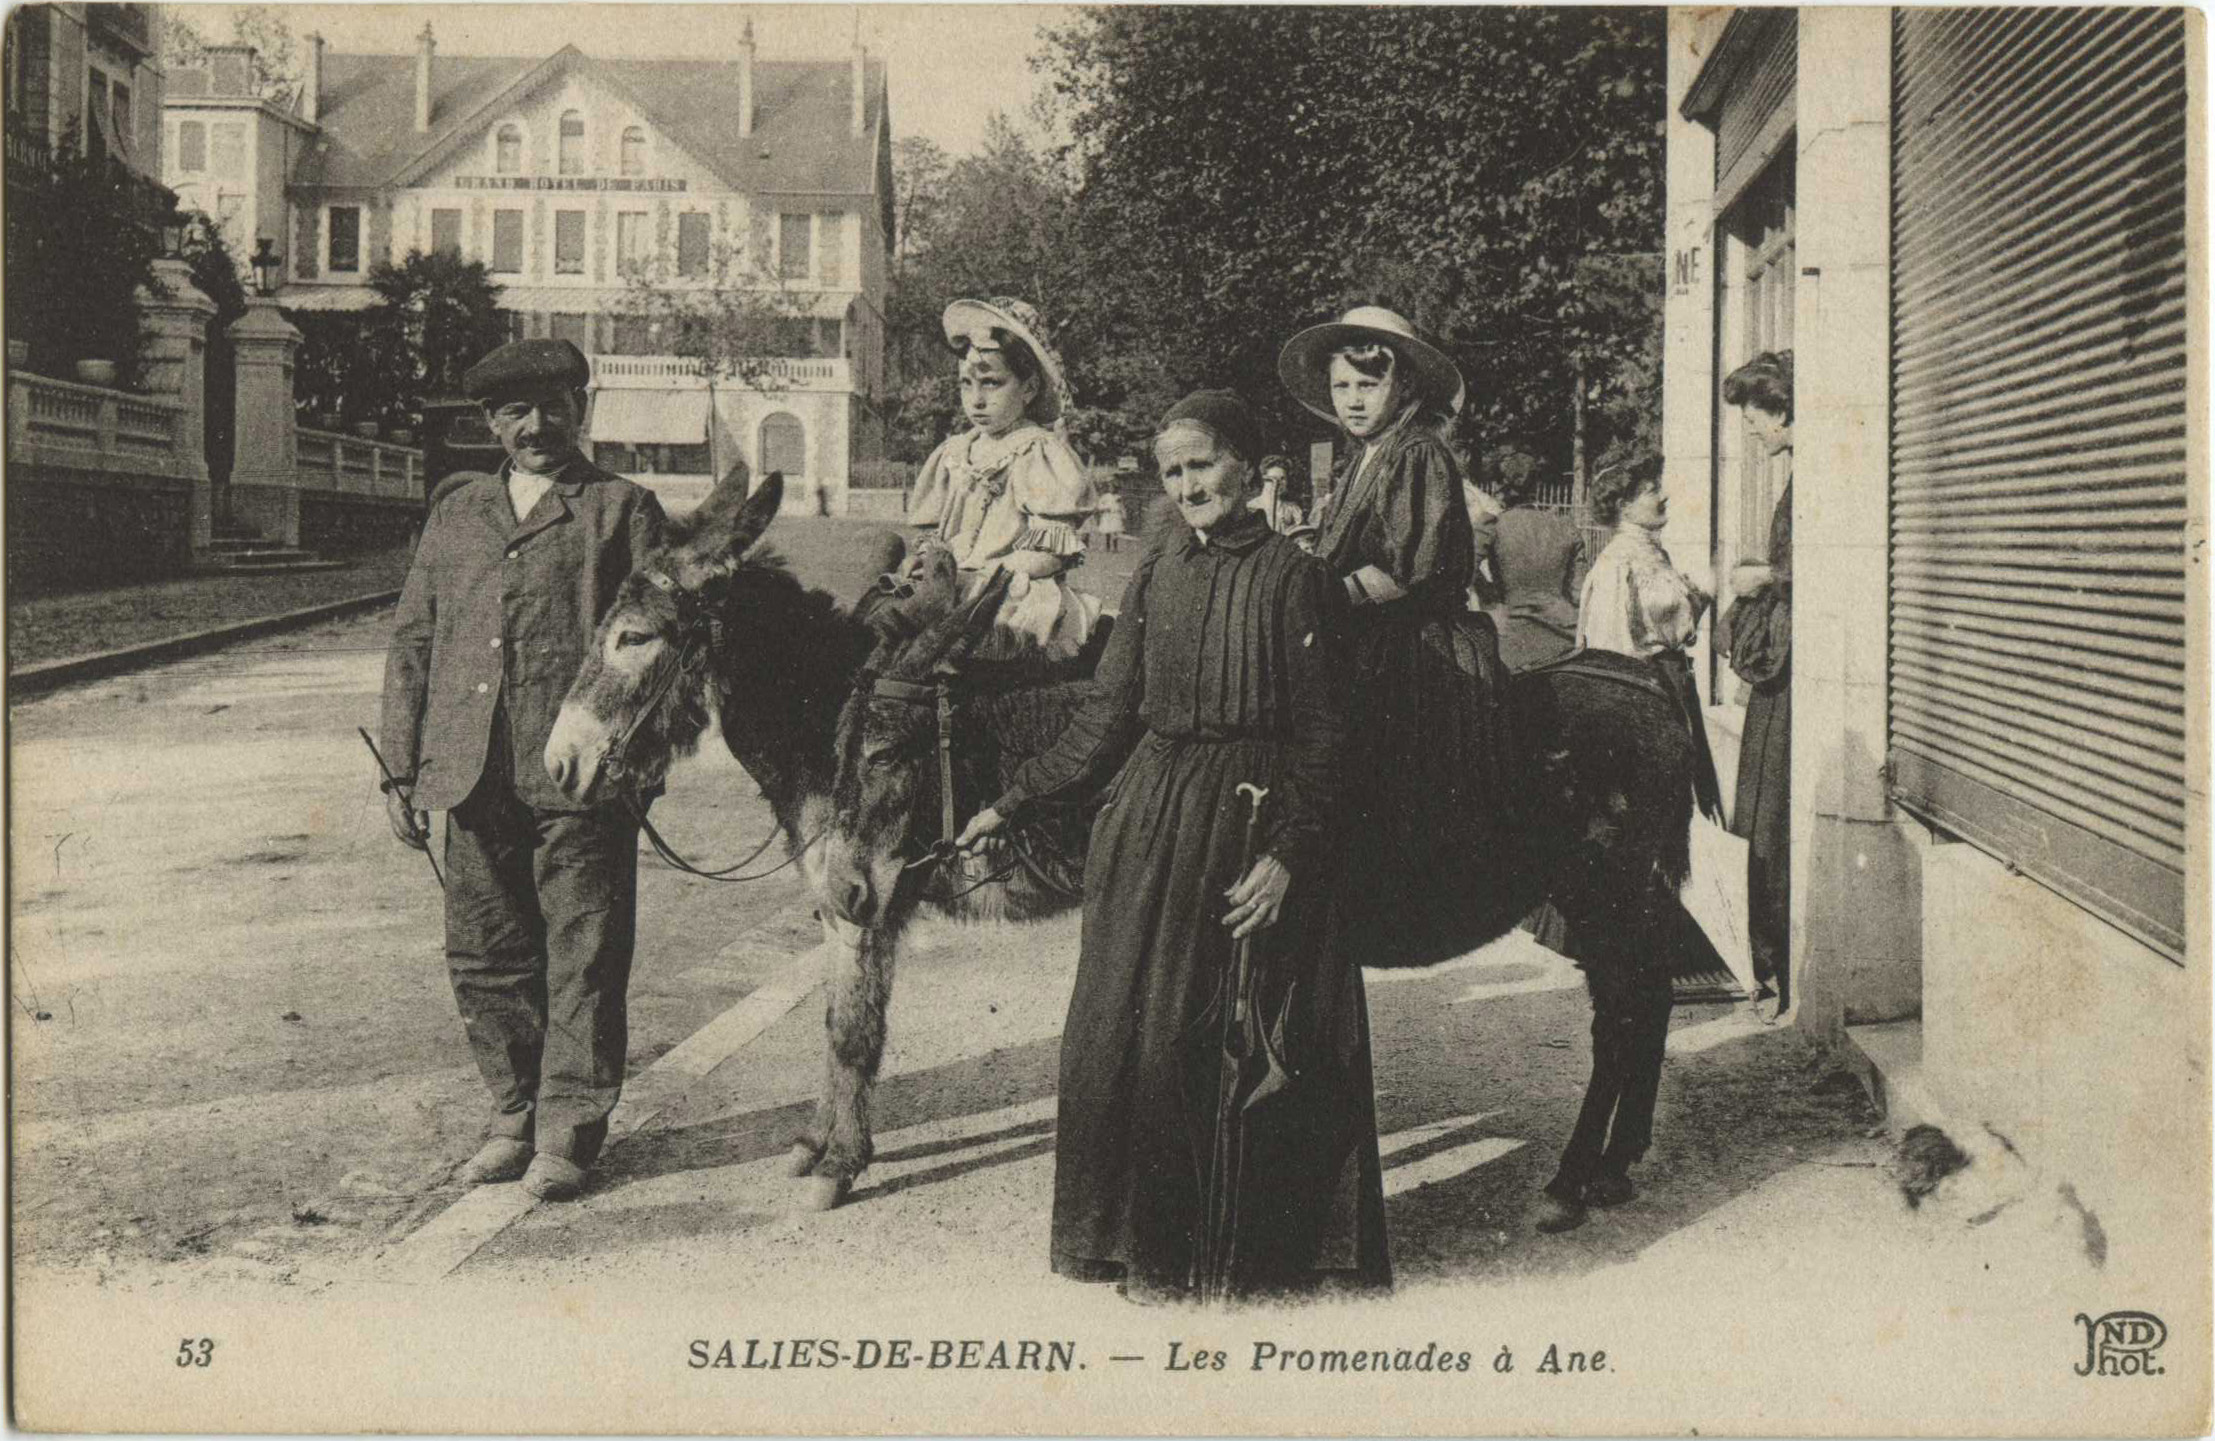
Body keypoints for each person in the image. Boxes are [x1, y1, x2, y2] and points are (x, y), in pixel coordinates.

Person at [957, 390, 1390, 1304]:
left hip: (1251, 825)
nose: (1188, 484)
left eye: (1203, 464)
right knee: (1120, 1036)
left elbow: (1328, 737)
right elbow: (1107, 716)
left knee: (1236, 1044)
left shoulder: (1294, 577)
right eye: (1173, 471)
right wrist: (1013, 798)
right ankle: (1139, 1245)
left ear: (1248, 467)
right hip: (1152, 822)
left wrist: (1289, 857)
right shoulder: (1156, 573)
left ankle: (1256, 1256)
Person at [380, 338, 667, 1202]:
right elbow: (414, 639)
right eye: (513, 412)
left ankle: (569, 1131)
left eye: (552, 405)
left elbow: (657, 658)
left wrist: (636, 768)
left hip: (579, 774)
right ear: (488, 422)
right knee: (486, 952)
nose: (535, 426)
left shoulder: (622, 509)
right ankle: (512, 1114)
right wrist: (402, 767)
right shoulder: (457, 510)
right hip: (470, 770)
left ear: (582, 406)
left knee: (583, 954)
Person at [1277, 305, 1518, 970]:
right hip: (1364, 627)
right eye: (1342, 387)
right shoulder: (1364, 457)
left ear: (1404, 388)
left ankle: (1379, 894)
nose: (1352, 400)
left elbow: (1409, 568)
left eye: (1367, 385)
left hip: (1409, 637)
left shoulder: (1416, 454)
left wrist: (1321, 599)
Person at [904, 297, 1101, 660]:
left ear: (1028, 389)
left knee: (996, 650)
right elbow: (932, 529)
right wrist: (929, 557)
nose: (976, 400)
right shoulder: (954, 452)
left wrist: (986, 578)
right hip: (947, 585)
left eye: (992, 383)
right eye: (966, 384)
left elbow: (1050, 548)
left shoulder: (1037, 451)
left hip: (1007, 592)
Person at [1719, 352, 1795, 1022]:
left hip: (1793, 670)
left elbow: (1809, 568)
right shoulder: (1800, 478)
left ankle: (1778, 973)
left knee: (1769, 811)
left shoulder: (1815, 477)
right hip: (1781, 666)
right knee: (1761, 807)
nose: (1750, 431)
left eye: (1752, 417)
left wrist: (1764, 579)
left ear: (1779, 407)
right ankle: (1768, 967)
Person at [1481, 454, 1587, 672]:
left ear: (1498, 487)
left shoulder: (1491, 526)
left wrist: (1490, 599)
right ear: (1536, 486)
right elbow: (1579, 592)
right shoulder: (1566, 527)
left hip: (1512, 642)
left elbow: (1460, 569)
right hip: (1565, 640)